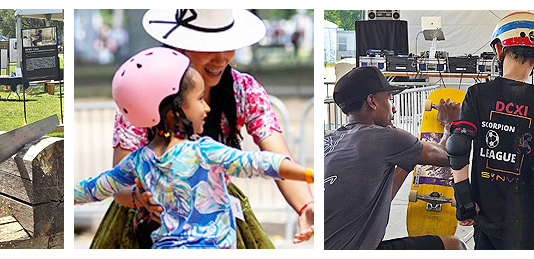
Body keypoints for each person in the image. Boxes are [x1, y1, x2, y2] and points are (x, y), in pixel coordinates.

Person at [90, 9, 314, 249]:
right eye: (207, 46)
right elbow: (120, 182)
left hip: (213, 216)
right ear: (178, 46)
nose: (220, 58)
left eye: (227, 45)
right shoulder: (144, 91)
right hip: (147, 222)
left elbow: (275, 156)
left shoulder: (244, 89)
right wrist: (143, 198)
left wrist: (305, 205)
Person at [446, 12, 534, 249]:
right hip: (524, 218)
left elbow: (458, 146)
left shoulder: (478, 95)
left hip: (484, 210)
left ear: (500, 49)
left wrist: (464, 199)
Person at [323, 66, 466, 250]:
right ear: (372, 102)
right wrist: (449, 124)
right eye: (390, 100)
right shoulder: (384, 137)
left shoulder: (329, 141)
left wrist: (409, 158)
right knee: (455, 246)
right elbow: (446, 155)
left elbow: (374, 200)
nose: (395, 108)